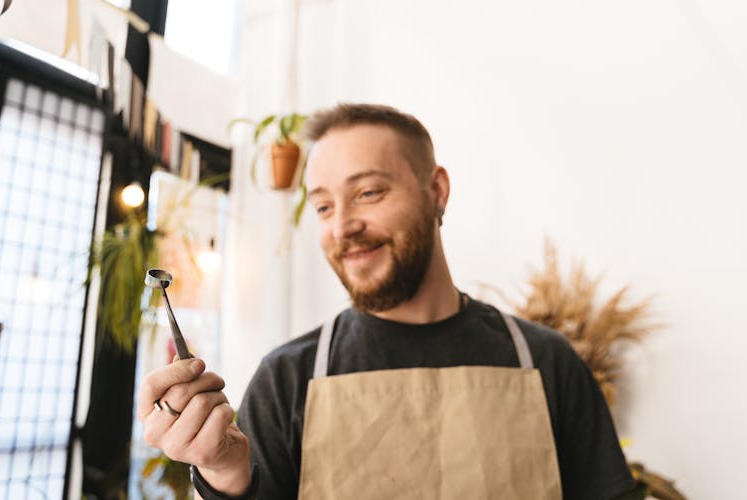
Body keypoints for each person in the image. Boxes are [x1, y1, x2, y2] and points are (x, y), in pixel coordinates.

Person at [138, 103, 636, 499]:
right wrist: (222, 471)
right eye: (324, 206)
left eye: (369, 192)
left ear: (436, 191)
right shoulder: (288, 378)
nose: (341, 227)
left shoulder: (547, 362)